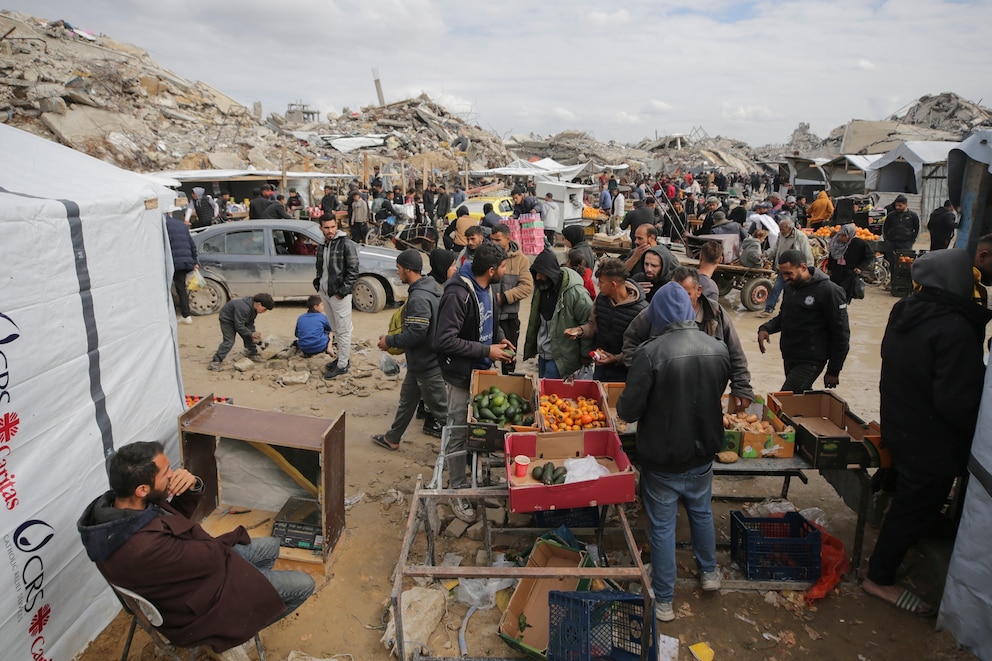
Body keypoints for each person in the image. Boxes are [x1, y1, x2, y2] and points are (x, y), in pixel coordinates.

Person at [77, 441, 314, 656]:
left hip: (187, 578)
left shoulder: (122, 509)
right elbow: (210, 556)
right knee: (304, 585)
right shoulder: (143, 546)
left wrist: (192, 484)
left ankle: (254, 606)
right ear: (142, 489)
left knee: (271, 546)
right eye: (166, 472)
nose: (173, 475)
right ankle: (240, 628)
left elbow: (175, 522)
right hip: (193, 608)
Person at [862, 249, 992, 618]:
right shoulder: (955, 327)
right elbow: (956, 398)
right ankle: (879, 577)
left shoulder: (905, 311)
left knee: (910, 497)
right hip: (931, 437)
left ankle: (901, 547)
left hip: (900, 422)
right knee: (915, 505)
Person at [617, 282, 730, 623]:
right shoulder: (718, 348)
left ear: (659, 313)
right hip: (702, 453)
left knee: (663, 526)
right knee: (701, 512)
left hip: (663, 456)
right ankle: (709, 573)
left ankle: (664, 600)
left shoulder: (650, 353)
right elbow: (714, 393)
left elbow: (628, 411)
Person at [435, 242, 514, 521]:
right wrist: (485, 351)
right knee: (457, 432)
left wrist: (498, 339)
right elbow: (444, 340)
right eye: (504, 266)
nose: (506, 270)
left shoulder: (487, 287)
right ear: (491, 270)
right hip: (459, 376)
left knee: (479, 429)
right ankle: (456, 489)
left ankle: (478, 475)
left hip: (480, 371)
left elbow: (488, 320)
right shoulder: (458, 293)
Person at [623, 267, 754, 408]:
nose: (678, 300)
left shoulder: (716, 315)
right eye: (674, 294)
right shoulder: (655, 312)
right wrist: (644, 374)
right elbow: (631, 341)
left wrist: (741, 386)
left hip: (705, 393)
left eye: (686, 294)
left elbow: (735, 354)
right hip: (665, 395)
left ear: (698, 291)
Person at [371, 250, 448, 449]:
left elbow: (416, 334)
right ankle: (392, 438)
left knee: (443, 412)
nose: (397, 273)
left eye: (398, 268)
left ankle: (466, 450)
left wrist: (389, 341)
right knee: (407, 400)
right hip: (418, 363)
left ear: (407, 269)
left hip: (427, 365)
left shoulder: (420, 298)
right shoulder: (429, 287)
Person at [757, 250, 850, 391]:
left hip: (811, 359)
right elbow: (785, 316)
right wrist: (766, 328)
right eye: (783, 274)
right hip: (790, 355)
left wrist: (834, 370)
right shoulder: (790, 287)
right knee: (799, 399)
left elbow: (841, 333)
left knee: (785, 400)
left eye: (789, 273)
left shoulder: (829, 291)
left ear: (803, 267)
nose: (785, 278)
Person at [565, 258, 647, 382]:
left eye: (601, 282)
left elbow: (642, 348)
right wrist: (579, 330)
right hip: (601, 368)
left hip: (624, 374)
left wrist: (616, 358)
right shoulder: (601, 300)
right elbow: (593, 326)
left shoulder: (641, 311)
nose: (598, 285)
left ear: (613, 285)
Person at [523, 248, 593, 379]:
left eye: (542, 273)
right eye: (536, 273)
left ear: (551, 273)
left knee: (551, 395)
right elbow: (536, 322)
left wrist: (585, 355)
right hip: (543, 355)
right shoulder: (541, 289)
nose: (538, 277)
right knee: (542, 391)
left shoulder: (576, 294)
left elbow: (588, 324)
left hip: (561, 358)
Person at [314, 216, 359, 379]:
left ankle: (342, 365)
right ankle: (341, 358)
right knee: (335, 328)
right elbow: (320, 268)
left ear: (337, 226)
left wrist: (343, 291)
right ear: (321, 228)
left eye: (333, 227)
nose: (330, 230)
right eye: (326, 227)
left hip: (339, 294)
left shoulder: (346, 243)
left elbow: (353, 270)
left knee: (344, 330)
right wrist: (318, 284)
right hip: (326, 292)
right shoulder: (322, 244)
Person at [490, 224, 534, 375]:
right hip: (490, 316)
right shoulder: (488, 256)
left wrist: (504, 297)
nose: (494, 243)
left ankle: (508, 385)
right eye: (492, 240)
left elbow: (527, 287)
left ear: (508, 239)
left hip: (509, 318)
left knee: (509, 358)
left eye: (498, 240)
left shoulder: (521, 260)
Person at [759, 218, 814, 318]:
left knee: (792, 291)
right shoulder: (781, 236)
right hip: (783, 268)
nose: (780, 231)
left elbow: (807, 254)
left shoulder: (800, 237)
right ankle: (769, 309)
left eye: (783, 229)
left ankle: (790, 311)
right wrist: (766, 254)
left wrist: (808, 269)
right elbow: (776, 248)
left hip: (795, 269)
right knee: (776, 288)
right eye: (780, 229)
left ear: (789, 229)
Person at [208, 293, 273, 370]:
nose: (264, 312)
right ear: (259, 304)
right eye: (264, 309)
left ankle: (252, 353)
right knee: (229, 341)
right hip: (227, 320)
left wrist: (253, 333)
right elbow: (239, 326)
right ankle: (215, 362)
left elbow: (249, 322)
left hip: (239, 320)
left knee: (248, 336)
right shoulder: (244, 308)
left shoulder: (253, 308)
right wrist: (251, 333)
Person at [825, 223, 872, 302]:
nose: (840, 237)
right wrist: (829, 269)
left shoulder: (859, 243)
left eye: (843, 235)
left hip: (849, 274)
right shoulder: (835, 242)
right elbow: (832, 255)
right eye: (840, 235)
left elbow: (870, 256)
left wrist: (860, 267)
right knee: (833, 294)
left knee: (843, 296)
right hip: (836, 272)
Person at [165, 213, 198, 324]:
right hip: (185, 261)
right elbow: (192, 244)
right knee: (181, 288)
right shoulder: (181, 225)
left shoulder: (163, 225)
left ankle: (169, 314)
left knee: (166, 289)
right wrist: (194, 261)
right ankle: (186, 315)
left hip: (172, 262)